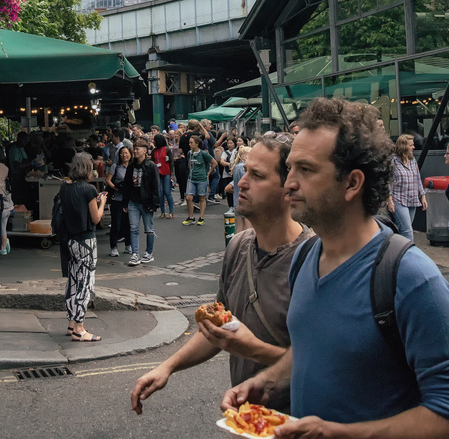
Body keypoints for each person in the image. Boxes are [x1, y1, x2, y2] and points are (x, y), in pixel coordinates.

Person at [221, 98, 449, 437]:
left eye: (307, 170)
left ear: (352, 183)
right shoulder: (305, 257)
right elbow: (311, 349)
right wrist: (266, 382)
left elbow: (444, 412)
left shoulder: (411, 277)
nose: (289, 184)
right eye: (291, 168)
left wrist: (343, 433)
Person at [131, 134, 312, 416]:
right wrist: (168, 366)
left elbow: (322, 367)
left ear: (288, 190)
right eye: (244, 171)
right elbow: (221, 328)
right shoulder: (237, 247)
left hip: (299, 424)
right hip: (246, 421)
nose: (240, 182)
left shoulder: (314, 261)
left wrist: (254, 350)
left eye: (257, 175)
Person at [59, 152, 107, 342]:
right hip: (86, 241)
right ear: (87, 168)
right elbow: (95, 218)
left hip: (69, 240)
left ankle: (71, 324)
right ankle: (80, 328)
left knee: (72, 281)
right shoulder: (89, 189)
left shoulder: (65, 187)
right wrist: (101, 202)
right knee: (84, 283)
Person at [122, 138, 160, 265]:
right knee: (133, 228)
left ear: (145, 151)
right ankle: (135, 254)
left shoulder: (151, 166)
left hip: (146, 202)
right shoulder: (131, 166)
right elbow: (127, 185)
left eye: (137, 149)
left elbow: (156, 185)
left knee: (149, 228)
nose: (135, 151)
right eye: (135, 148)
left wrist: (154, 203)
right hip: (133, 201)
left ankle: (149, 252)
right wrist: (125, 202)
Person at [388, 132, 427, 241]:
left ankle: (397, 250)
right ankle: (409, 254)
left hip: (412, 199)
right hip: (399, 200)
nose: (413, 147)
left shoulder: (412, 160)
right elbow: (389, 181)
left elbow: (417, 178)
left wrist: (423, 195)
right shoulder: (393, 161)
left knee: (405, 229)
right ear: (403, 146)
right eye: (411, 145)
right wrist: (389, 200)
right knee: (407, 231)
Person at [105, 145, 132, 256]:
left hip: (129, 199)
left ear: (130, 154)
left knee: (129, 223)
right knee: (116, 223)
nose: (124, 155)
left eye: (126, 153)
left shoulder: (132, 167)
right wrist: (116, 187)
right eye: (122, 153)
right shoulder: (115, 166)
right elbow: (108, 180)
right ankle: (114, 247)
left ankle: (128, 245)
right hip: (117, 198)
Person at [183, 134, 214, 225]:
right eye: (189, 142)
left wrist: (208, 173)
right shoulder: (189, 153)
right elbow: (189, 163)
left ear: (197, 144)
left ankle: (201, 218)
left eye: (191, 143)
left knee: (202, 198)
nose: (189, 144)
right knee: (188, 197)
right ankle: (191, 217)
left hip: (201, 179)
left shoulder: (203, 153)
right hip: (191, 178)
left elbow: (214, 163)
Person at [152, 133, 174, 218]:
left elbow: (171, 162)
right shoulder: (154, 151)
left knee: (167, 192)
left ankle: (171, 211)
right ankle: (162, 211)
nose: (153, 142)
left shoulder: (167, 150)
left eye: (154, 140)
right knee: (160, 193)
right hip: (157, 173)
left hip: (166, 172)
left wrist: (172, 174)